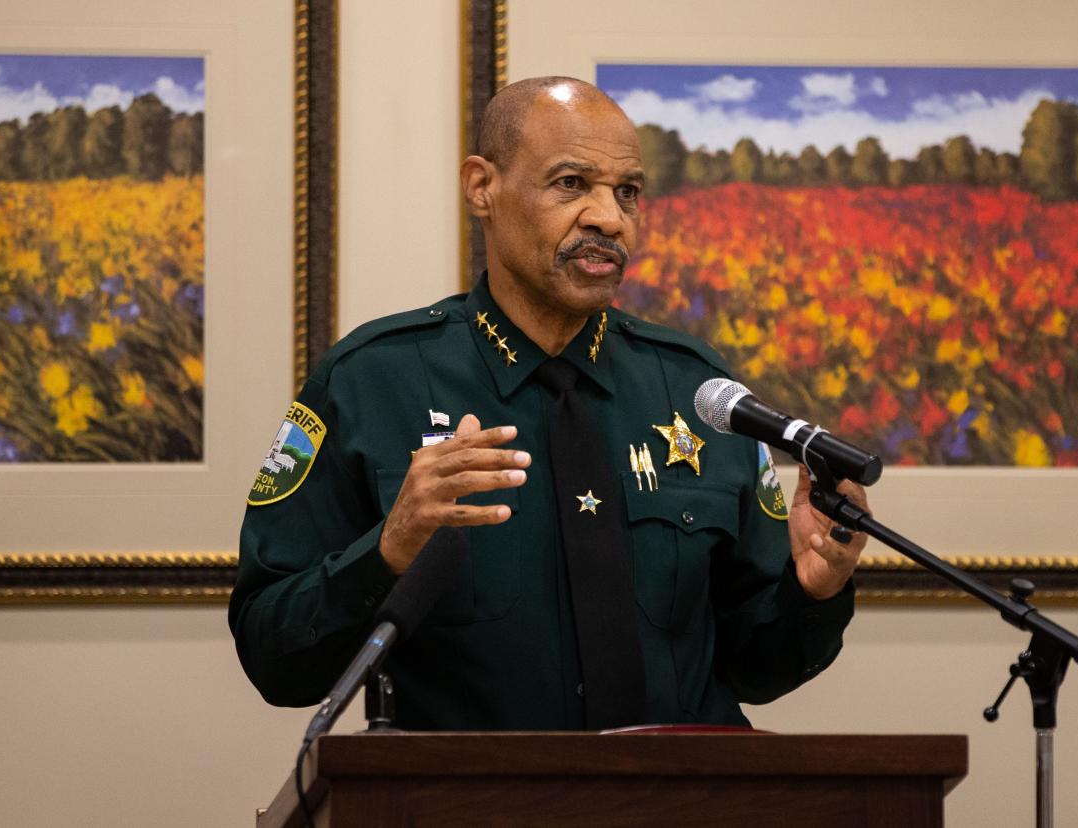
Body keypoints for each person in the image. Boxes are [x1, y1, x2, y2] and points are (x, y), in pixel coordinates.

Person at [230, 76, 870, 730]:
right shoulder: (373, 380)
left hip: (681, 798)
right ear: (482, 186)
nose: (609, 218)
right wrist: (387, 550)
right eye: (571, 184)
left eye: (628, 193)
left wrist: (811, 592)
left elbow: (756, 669)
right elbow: (271, 657)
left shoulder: (696, 391)